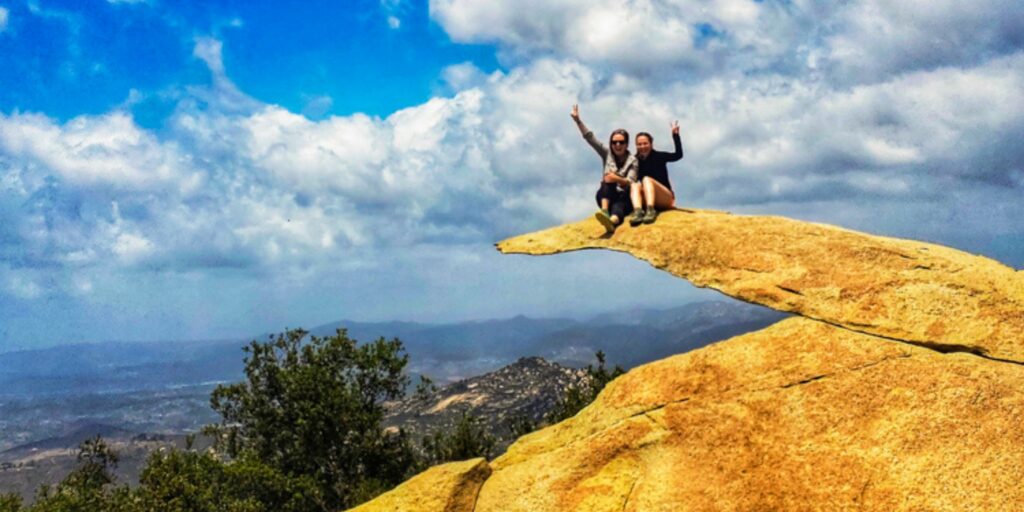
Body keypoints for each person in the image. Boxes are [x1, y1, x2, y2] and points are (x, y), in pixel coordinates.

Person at [570, 104, 639, 233]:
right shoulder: (607, 153)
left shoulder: (633, 160)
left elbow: (631, 182)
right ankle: (605, 212)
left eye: (621, 142)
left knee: (619, 206)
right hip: (605, 196)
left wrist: (616, 178)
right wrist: (578, 121)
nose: (617, 145)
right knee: (606, 182)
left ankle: (611, 222)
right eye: (614, 142)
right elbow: (590, 138)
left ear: (627, 144)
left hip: (623, 196)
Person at [629, 121, 683, 226]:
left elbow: (678, 155)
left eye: (645, 143)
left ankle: (650, 210)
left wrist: (675, 135)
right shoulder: (634, 161)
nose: (642, 146)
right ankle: (638, 211)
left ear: (651, 144)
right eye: (639, 144)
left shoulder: (659, 156)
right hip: (646, 196)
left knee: (646, 179)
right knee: (634, 184)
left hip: (665, 198)